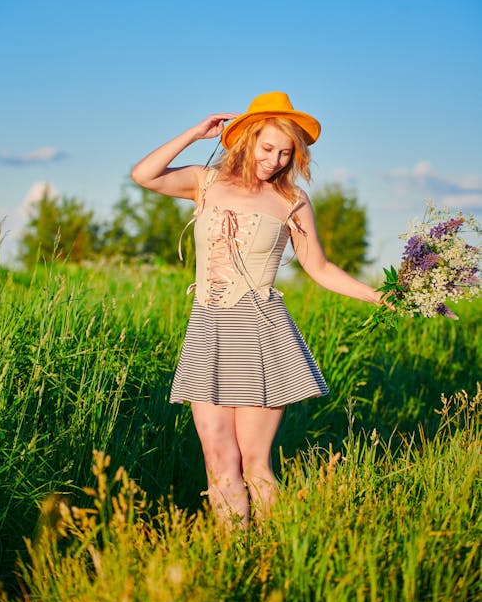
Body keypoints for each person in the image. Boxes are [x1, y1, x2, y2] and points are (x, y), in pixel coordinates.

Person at [131, 91, 383, 528]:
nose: (275, 160)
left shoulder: (292, 200)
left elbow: (320, 269)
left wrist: (385, 297)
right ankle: (238, 558)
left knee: (254, 464)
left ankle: (281, 553)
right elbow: (144, 175)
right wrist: (196, 132)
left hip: (260, 332)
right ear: (246, 140)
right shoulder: (205, 182)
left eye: (286, 153)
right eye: (268, 148)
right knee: (217, 456)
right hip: (207, 329)